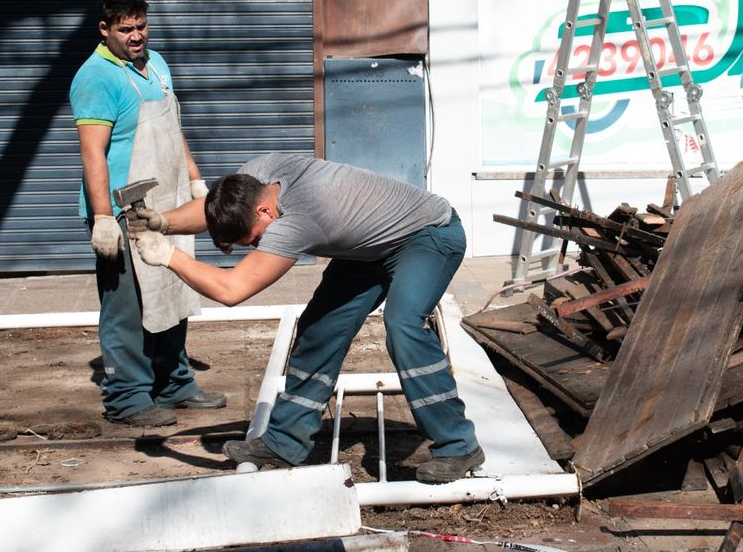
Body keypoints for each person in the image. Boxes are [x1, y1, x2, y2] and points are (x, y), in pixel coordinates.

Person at [126, 154, 483, 482]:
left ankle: (458, 445)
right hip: (370, 247)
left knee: (403, 324)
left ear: (265, 212)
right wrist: (163, 222)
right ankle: (285, 442)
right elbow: (214, 207)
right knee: (319, 329)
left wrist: (170, 256)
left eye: (254, 239)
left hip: (429, 233)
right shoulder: (255, 177)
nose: (256, 248)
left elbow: (231, 290)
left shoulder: (300, 219)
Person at [70, 0, 226, 427]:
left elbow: (173, 128)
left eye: (141, 26)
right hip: (122, 211)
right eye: (126, 30)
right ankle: (128, 398)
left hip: (165, 204)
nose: (136, 36)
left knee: (172, 291)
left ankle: (174, 383)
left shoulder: (156, 64)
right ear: (104, 29)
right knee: (127, 307)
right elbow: (92, 153)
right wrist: (103, 218)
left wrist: (195, 180)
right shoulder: (95, 78)